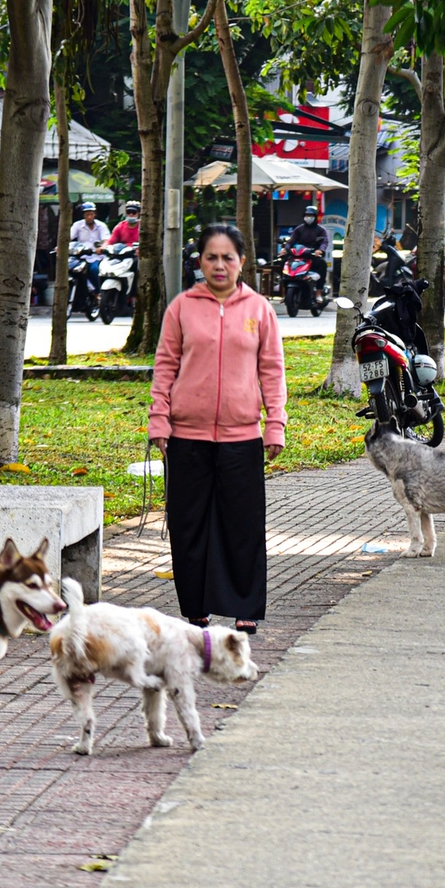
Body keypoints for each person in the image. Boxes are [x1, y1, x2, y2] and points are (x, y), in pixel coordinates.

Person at [148, 224, 286, 636]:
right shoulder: (182, 308)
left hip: (242, 435)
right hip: (185, 436)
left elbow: (272, 372)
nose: (220, 265)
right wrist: (160, 418)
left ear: (242, 261)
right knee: (189, 524)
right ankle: (197, 607)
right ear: (200, 261)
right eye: (212, 257)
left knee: (242, 524)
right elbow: (165, 367)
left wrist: (274, 424)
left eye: (228, 257)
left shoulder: (259, 309)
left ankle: (244, 607)